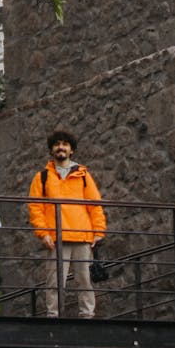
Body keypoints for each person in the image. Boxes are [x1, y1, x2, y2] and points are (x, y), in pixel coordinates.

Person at [28, 128, 106, 318]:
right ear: (51, 150)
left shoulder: (83, 175)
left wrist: (98, 231)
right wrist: (43, 233)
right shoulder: (42, 177)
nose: (60, 147)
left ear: (71, 150)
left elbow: (95, 204)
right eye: (57, 144)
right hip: (56, 237)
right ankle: (53, 316)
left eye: (65, 144)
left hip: (82, 234)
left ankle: (87, 316)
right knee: (54, 281)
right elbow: (35, 207)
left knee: (85, 280)